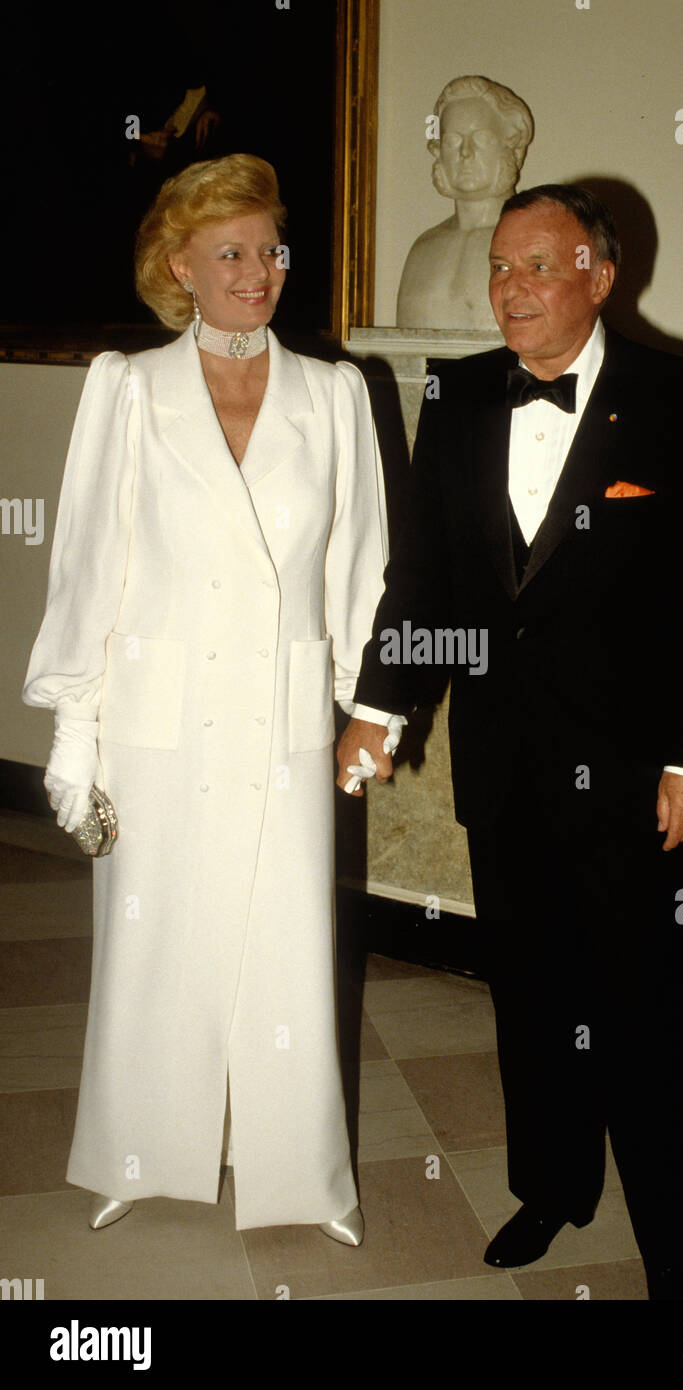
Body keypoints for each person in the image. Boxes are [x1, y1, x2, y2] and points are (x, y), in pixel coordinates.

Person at [338, 184, 683, 1299]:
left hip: (635, 778)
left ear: (598, 277)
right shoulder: (461, 394)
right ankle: (552, 1185)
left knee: (649, 1017)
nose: (508, 288)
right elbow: (422, 578)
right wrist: (379, 709)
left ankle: (668, 1236)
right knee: (532, 998)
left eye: (535, 266)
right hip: (505, 769)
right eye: (500, 269)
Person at [23, 153, 392, 1242]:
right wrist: (72, 737)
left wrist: (366, 710)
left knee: (288, 947)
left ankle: (303, 1176)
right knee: (153, 946)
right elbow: (92, 567)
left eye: (270, 249)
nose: (257, 271)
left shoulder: (334, 395)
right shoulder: (127, 388)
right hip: (159, 720)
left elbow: (360, 571)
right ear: (179, 263)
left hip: (282, 725)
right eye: (229, 251)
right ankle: (143, 1152)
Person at [396, 75, 534, 329]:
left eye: (480, 138)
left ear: (511, 146)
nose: (465, 153)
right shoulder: (423, 248)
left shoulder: (536, 242)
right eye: (452, 141)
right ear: (438, 151)